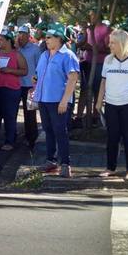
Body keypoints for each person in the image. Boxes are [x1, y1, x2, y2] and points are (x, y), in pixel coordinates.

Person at [34, 23, 80, 178]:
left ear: (59, 39)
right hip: (43, 99)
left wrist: (64, 101)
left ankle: (66, 164)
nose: (45, 40)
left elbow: (73, 79)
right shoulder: (44, 55)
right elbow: (39, 75)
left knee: (61, 131)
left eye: (49, 37)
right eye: (46, 37)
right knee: (48, 130)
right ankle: (51, 160)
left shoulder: (68, 55)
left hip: (58, 101)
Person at [95, 28, 128, 181]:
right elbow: (103, 81)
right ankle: (110, 168)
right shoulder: (108, 60)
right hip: (111, 104)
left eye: (113, 43)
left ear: (122, 43)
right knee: (112, 137)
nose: (110, 45)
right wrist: (99, 101)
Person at [0, 30, 27, 151]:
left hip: (11, 90)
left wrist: (10, 70)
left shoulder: (17, 55)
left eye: (1, 40)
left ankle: (9, 141)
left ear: (9, 41)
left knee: (10, 116)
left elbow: (24, 71)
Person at [17, 25, 42, 148]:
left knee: (30, 113)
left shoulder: (35, 49)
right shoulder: (16, 49)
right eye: (19, 34)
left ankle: (31, 137)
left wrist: (36, 85)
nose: (20, 36)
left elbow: (39, 68)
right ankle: (21, 135)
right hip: (16, 85)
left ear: (28, 35)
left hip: (30, 85)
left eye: (23, 34)